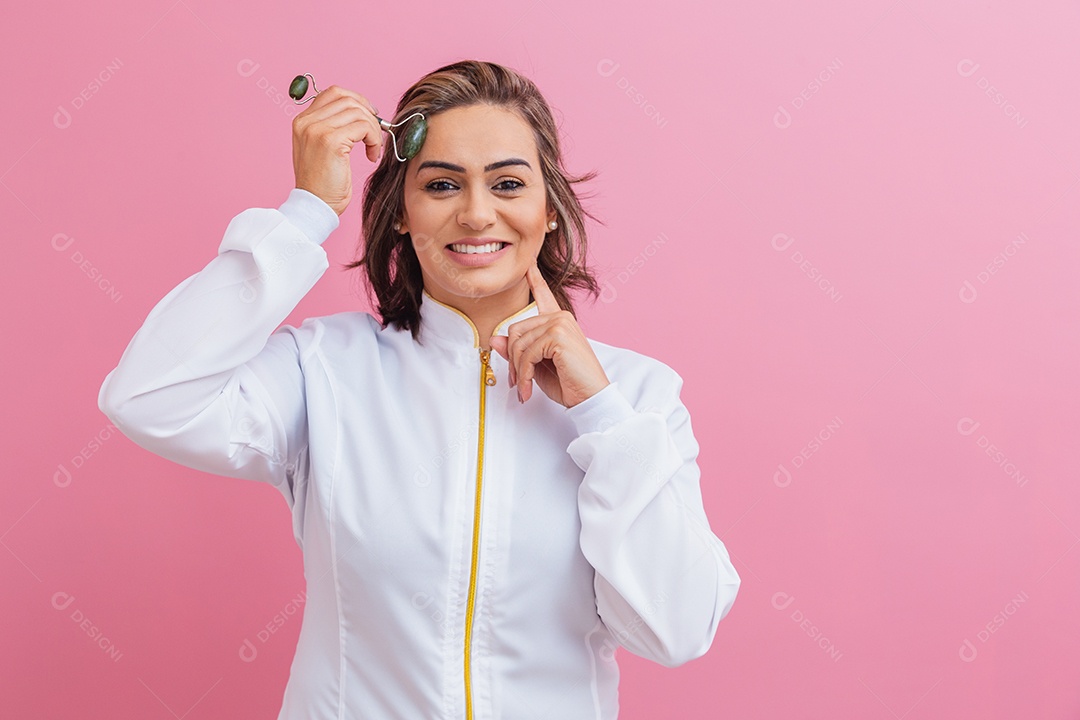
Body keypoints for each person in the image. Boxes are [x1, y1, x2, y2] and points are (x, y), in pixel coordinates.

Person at [98, 59, 741, 720]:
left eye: (509, 183)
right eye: (441, 184)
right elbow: (146, 397)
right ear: (401, 212)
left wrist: (600, 414)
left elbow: (677, 630)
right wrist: (306, 211)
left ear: (549, 210)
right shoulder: (324, 370)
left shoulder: (637, 395)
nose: (476, 213)